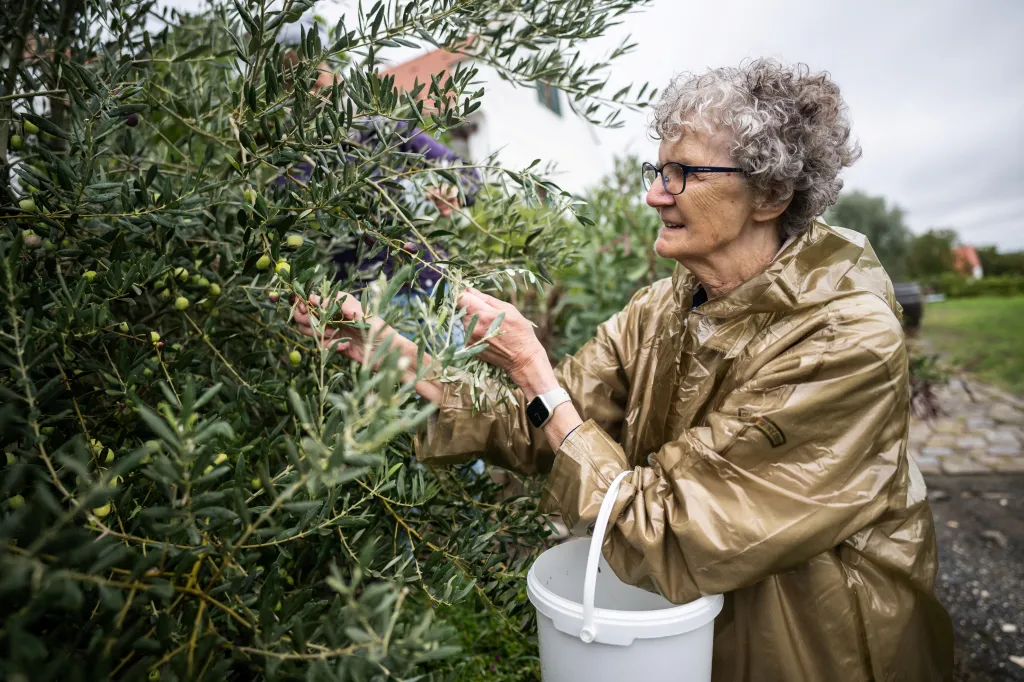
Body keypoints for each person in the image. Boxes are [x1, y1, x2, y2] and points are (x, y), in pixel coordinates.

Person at [292, 59, 953, 681]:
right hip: (691, 638)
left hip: (814, 647)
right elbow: (539, 425)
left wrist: (535, 372)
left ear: (771, 194)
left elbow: (674, 534)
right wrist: (401, 363)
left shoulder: (845, 342)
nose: (652, 195)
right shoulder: (662, 309)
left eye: (682, 174)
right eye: (655, 169)